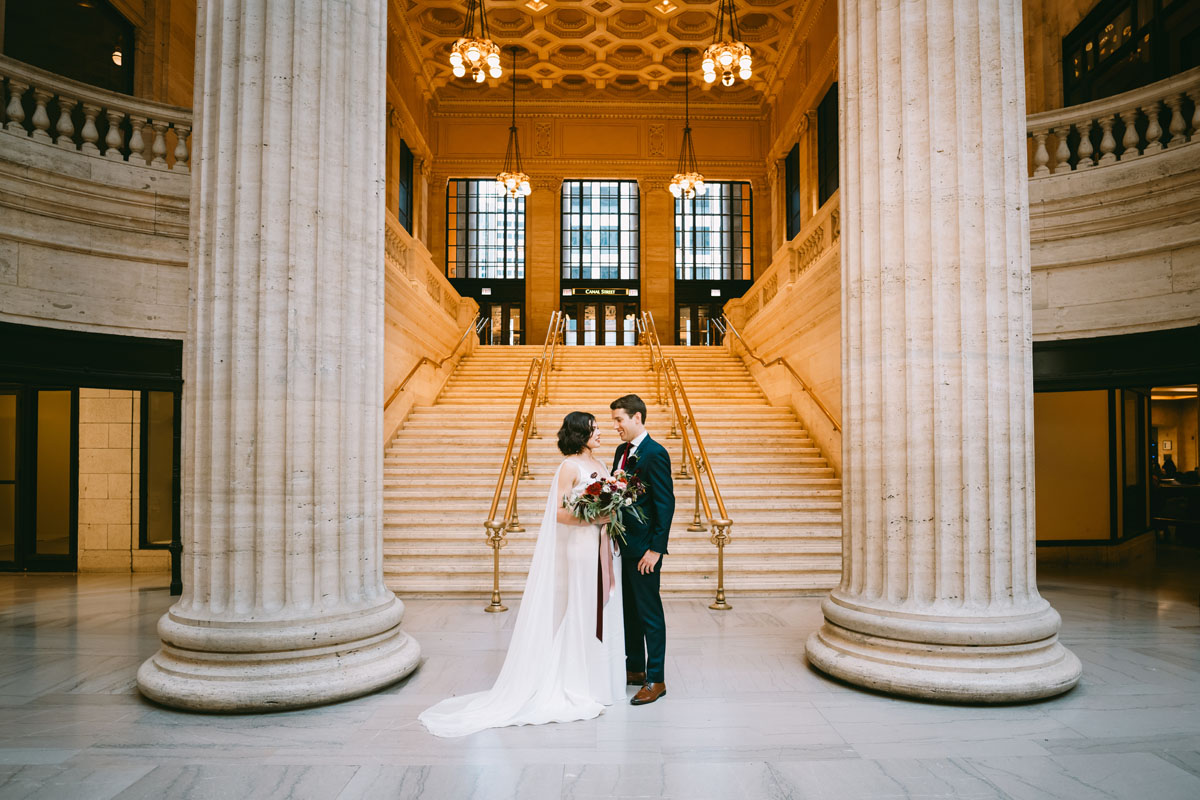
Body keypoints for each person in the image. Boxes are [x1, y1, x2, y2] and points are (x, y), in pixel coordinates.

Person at [418, 412, 625, 737]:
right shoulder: (570, 467)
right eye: (593, 428)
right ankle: (576, 681)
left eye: (599, 427)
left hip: (603, 548)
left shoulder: (600, 462)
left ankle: (599, 680)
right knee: (582, 611)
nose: (599, 432)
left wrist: (612, 512)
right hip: (582, 549)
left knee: (599, 608)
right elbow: (558, 513)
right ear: (578, 434)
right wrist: (595, 518)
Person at [611, 394, 675, 706]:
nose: (615, 426)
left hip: (645, 550)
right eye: (613, 420)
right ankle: (634, 668)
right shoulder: (621, 452)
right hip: (623, 547)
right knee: (629, 611)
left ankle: (656, 678)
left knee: (649, 613)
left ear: (637, 418)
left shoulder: (655, 453)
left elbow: (665, 504)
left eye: (619, 419)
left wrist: (656, 550)